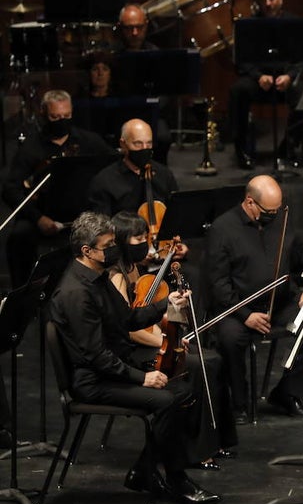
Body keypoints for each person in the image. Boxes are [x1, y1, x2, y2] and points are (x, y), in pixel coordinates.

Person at [48, 211, 220, 504]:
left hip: (110, 367)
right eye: (108, 245)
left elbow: (127, 318)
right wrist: (143, 377)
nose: (114, 249)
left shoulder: (97, 277)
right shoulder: (76, 293)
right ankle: (176, 480)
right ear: (87, 251)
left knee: (183, 389)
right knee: (168, 399)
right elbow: (96, 356)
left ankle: (145, 470)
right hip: (92, 381)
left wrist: (167, 305)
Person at [105, 211, 237, 472]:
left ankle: (217, 438)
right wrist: (164, 342)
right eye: (138, 238)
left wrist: (170, 335)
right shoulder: (117, 276)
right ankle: (195, 451)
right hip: (132, 352)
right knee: (198, 366)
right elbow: (129, 329)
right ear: (121, 241)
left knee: (214, 359)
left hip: (149, 342)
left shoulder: (134, 268)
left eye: (146, 236)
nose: (146, 243)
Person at [206, 175, 303, 422]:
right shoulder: (222, 229)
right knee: (230, 338)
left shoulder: (281, 219)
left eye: (278, 210)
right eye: (269, 211)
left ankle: (287, 392)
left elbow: (299, 260)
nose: (274, 216)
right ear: (250, 202)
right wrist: (246, 315)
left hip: (281, 302)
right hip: (239, 308)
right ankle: (239, 402)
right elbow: (218, 285)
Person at [1, 89, 114, 287]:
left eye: (66, 116)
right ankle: (23, 294)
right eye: (55, 116)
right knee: (18, 237)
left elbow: (113, 164)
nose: (61, 120)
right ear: (43, 113)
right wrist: (38, 218)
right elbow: (11, 189)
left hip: (82, 213)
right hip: (44, 215)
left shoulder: (88, 141)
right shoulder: (31, 147)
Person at [229, 0, 303, 169]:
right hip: (259, 81)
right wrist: (258, 76)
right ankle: (242, 150)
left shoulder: (295, 24)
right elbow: (241, 61)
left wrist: (290, 76)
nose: (268, 3)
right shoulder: (248, 25)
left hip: (286, 80)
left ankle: (288, 147)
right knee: (238, 90)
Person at [87, 120, 185, 265]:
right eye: (138, 144)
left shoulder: (164, 174)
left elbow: (177, 215)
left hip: (166, 255)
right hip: (123, 260)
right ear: (123, 144)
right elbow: (102, 232)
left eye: (149, 144)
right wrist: (132, 255)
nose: (145, 149)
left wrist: (180, 244)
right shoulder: (104, 181)